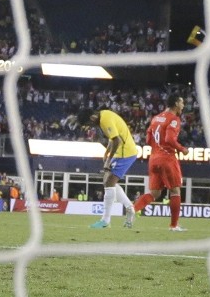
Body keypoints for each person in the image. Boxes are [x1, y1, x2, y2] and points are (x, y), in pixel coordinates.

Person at [132, 94, 188, 231]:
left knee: (155, 193)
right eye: (182, 102)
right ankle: (173, 226)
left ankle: (132, 209)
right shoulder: (174, 119)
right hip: (167, 158)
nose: (183, 105)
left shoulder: (156, 118)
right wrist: (182, 149)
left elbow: (148, 139)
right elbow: (169, 139)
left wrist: (157, 149)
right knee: (175, 191)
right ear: (176, 103)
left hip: (153, 158)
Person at [78, 107, 138, 229]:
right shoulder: (104, 117)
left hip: (125, 153)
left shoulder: (105, 120)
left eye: (88, 124)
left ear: (91, 118)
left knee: (109, 182)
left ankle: (105, 221)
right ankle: (129, 208)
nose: (90, 127)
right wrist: (107, 152)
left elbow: (117, 140)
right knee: (108, 182)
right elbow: (113, 137)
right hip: (122, 152)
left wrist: (108, 160)